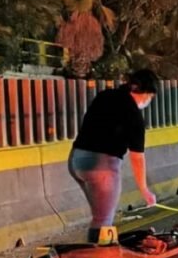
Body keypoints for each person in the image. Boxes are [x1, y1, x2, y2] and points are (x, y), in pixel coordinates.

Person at [68, 69, 159, 244]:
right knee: (103, 221)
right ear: (145, 92)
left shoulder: (105, 95)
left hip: (77, 160)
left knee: (98, 216)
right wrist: (144, 190)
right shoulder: (134, 115)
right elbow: (137, 158)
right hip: (102, 167)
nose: (148, 100)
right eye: (150, 96)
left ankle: (92, 253)